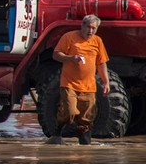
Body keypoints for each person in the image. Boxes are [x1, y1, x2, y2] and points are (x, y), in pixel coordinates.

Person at [47, 14, 110, 145]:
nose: (90, 31)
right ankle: (56, 134)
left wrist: (106, 82)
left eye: (94, 28)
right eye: (88, 27)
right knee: (69, 112)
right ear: (82, 26)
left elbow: (101, 63)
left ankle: (84, 149)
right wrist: (70, 58)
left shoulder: (97, 41)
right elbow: (56, 55)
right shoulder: (69, 37)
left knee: (86, 119)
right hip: (69, 83)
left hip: (89, 86)